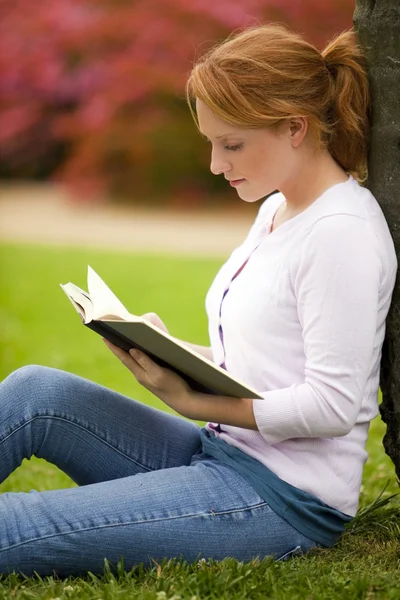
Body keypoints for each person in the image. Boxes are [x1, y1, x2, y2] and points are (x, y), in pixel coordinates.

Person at [0, 23, 397, 577]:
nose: (215, 163)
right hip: (218, 453)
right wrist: (165, 349)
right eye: (213, 142)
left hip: (281, 499)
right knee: (34, 392)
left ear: (294, 128)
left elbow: (331, 406)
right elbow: (265, 365)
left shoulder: (342, 234)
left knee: (16, 525)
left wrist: (192, 402)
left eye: (231, 144)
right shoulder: (276, 211)